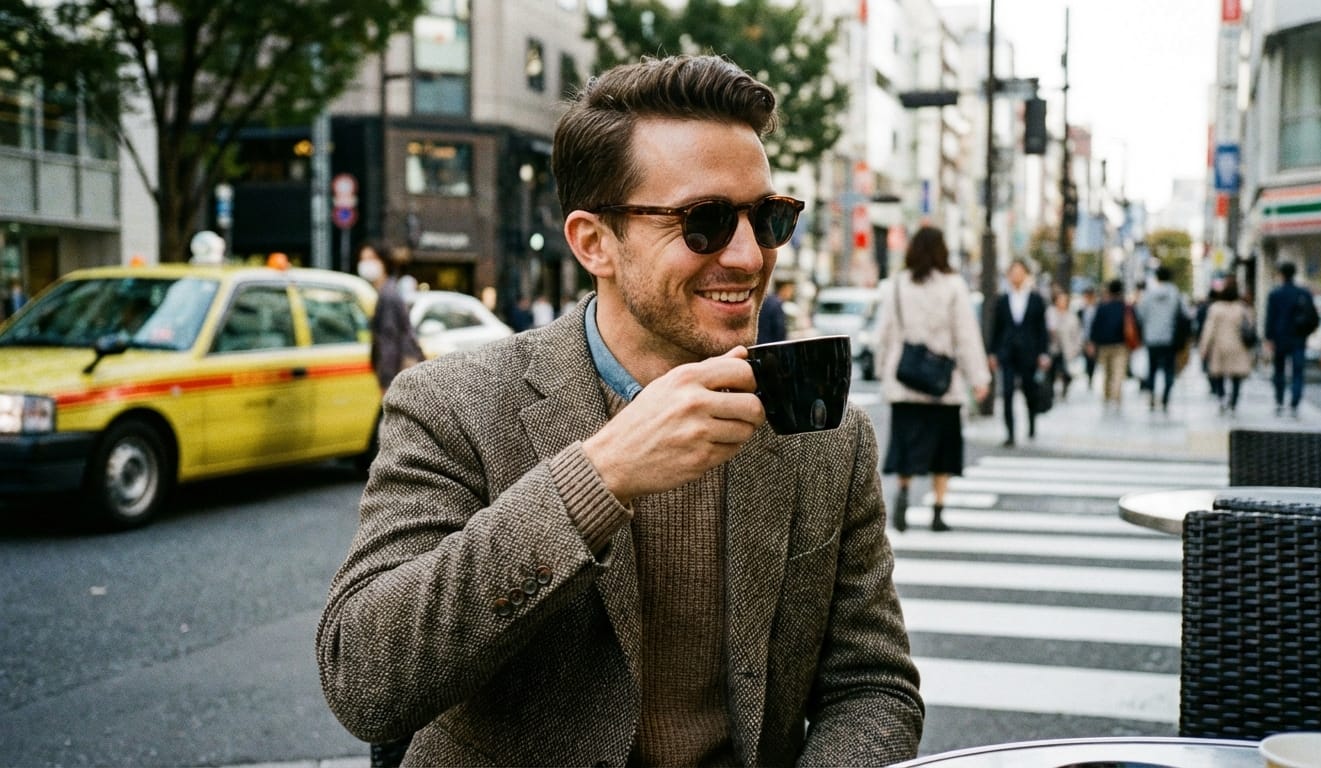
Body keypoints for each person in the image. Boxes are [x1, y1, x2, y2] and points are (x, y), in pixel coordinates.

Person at [316, 54, 923, 767]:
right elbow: (364, 681)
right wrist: (598, 476)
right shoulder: (453, 404)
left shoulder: (824, 430)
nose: (749, 255)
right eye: (704, 222)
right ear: (594, 242)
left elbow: (873, 685)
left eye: (767, 218)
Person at [875, 226, 990, 533]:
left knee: (906, 445)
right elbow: (965, 334)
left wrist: (880, 367)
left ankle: (902, 493)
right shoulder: (953, 286)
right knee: (943, 449)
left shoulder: (897, 285)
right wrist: (978, 377)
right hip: (942, 384)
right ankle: (938, 509)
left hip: (905, 381)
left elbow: (884, 332)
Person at [987, 258, 1049, 447]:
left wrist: (1043, 353)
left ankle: (1031, 424)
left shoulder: (1036, 299)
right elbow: (995, 329)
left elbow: (1041, 329)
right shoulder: (1002, 300)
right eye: (1012, 272)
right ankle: (1010, 433)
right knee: (1007, 392)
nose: (1016, 275)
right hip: (1007, 352)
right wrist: (992, 353)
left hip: (1029, 353)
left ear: (1026, 274)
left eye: (1019, 271)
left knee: (1029, 390)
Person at [356, 241, 423, 391]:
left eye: (371, 258)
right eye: (363, 259)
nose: (366, 264)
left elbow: (389, 339)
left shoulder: (387, 295)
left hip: (396, 372)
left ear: (383, 261)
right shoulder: (388, 291)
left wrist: (386, 381)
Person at [1264, 261, 1318, 416]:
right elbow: (1313, 316)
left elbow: (1270, 317)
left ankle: (1279, 400)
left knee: (1279, 370)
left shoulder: (1275, 294)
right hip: (1298, 337)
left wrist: (1269, 337)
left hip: (1280, 337)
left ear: (1281, 274)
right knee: (1298, 371)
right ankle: (1295, 400)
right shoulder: (1303, 293)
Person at [1134, 266, 1187, 413]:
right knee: (1169, 370)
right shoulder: (1175, 293)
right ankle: (1165, 398)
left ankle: (1151, 395)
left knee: (1152, 369)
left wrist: (1149, 326)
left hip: (1151, 337)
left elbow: (1140, 314)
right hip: (1170, 338)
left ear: (1157, 277)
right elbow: (1184, 314)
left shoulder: (1149, 294)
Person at [1199, 280, 1256, 413]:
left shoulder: (1215, 308)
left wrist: (1204, 347)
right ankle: (1234, 401)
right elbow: (1251, 326)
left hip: (1219, 346)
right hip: (1238, 346)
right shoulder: (1242, 308)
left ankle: (1222, 397)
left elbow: (1208, 330)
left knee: (1219, 374)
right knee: (1236, 375)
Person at [1087, 278, 1133, 408]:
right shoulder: (1126, 307)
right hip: (1121, 345)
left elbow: (1095, 326)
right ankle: (1116, 397)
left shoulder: (1102, 307)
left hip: (1104, 345)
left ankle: (1107, 397)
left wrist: (1092, 342)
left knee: (1107, 373)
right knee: (1118, 372)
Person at [1047, 287, 1082, 400]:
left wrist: (1076, 349)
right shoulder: (1050, 313)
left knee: (1065, 371)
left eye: (1064, 300)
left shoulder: (1072, 317)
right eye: (1060, 300)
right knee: (1051, 372)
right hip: (1052, 348)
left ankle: (1064, 388)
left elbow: (1077, 335)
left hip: (1067, 349)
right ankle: (1051, 393)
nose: (1062, 302)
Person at [755, 278, 794, 344]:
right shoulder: (777, 304)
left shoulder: (768, 300)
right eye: (790, 290)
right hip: (771, 344)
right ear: (784, 289)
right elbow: (779, 330)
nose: (791, 294)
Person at [1078, 286, 1099, 390]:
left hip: (1095, 339)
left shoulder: (1098, 309)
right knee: (1087, 360)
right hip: (1084, 339)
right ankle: (1089, 377)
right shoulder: (1081, 311)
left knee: (1093, 360)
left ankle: (1091, 377)